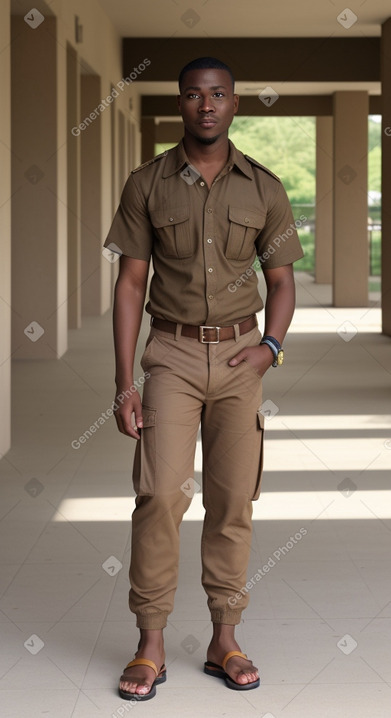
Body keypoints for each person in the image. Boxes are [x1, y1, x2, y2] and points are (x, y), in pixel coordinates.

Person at [104, 56, 304, 701]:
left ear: (235, 103)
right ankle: (151, 642)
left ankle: (225, 636)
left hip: (243, 356)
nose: (206, 105)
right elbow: (131, 282)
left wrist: (271, 346)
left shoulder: (265, 187)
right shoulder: (147, 184)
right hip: (173, 356)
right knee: (161, 494)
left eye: (218, 94)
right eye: (194, 95)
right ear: (180, 105)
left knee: (232, 501)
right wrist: (124, 381)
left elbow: (281, 280)